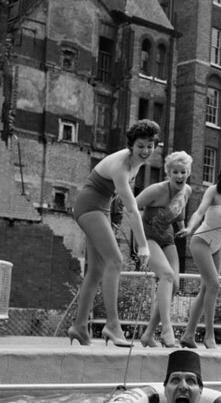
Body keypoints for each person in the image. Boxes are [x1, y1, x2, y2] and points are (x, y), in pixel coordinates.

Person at [68, 119, 159, 347]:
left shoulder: (136, 162)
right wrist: (143, 245)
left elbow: (119, 199)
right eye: (141, 146)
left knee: (98, 269)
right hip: (89, 207)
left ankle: (79, 326)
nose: (146, 151)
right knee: (115, 261)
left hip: (102, 209)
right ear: (131, 146)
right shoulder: (121, 165)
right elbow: (132, 208)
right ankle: (112, 325)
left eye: (150, 145)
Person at [176, 157, 221, 349]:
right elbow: (199, 212)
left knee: (206, 289)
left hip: (219, 243)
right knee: (214, 286)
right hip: (201, 240)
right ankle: (209, 335)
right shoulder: (213, 191)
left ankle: (188, 335)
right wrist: (190, 228)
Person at [134, 151, 193, 348]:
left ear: (188, 173)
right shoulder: (156, 190)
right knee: (166, 275)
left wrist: (183, 227)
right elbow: (131, 207)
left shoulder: (187, 191)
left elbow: (179, 214)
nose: (179, 176)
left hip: (168, 240)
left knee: (174, 285)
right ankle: (167, 330)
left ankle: (148, 334)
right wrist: (140, 241)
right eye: (175, 172)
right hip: (148, 238)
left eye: (183, 172)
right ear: (168, 173)